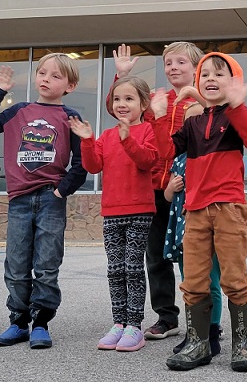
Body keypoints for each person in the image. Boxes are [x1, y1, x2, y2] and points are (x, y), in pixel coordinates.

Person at [151, 52, 247, 372]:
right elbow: (167, 151)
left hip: (228, 208)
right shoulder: (194, 122)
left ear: (234, 83)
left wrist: (238, 105)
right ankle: (199, 343)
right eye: (205, 75)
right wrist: (160, 116)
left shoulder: (235, 117)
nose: (210, 79)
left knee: (234, 277)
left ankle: (243, 343)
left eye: (219, 75)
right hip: (194, 210)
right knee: (195, 280)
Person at [0, 54, 87, 350]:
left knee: (47, 264)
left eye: (55, 75)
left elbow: (83, 160)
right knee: (16, 264)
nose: (46, 78)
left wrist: (63, 190)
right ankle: (18, 322)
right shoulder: (19, 111)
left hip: (51, 199)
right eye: (42, 73)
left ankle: (41, 322)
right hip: (20, 199)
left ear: (70, 85)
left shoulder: (70, 117)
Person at [113, 41, 204, 341]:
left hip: (188, 189)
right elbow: (122, 110)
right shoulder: (155, 99)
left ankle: (199, 316)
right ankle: (167, 317)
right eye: (169, 63)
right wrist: (121, 76)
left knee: (190, 256)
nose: (174, 68)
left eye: (181, 62)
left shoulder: (202, 101)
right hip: (153, 189)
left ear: (195, 67)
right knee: (156, 257)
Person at [69, 76, 158, 353]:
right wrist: (86, 141)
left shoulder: (147, 130)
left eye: (129, 99)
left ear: (143, 104)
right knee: (115, 270)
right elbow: (94, 166)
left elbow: (148, 160)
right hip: (112, 211)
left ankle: (134, 326)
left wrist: (128, 139)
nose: (122, 104)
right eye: (118, 99)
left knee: (133, 269)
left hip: (140, 209)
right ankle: (118, 323)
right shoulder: (106, 136)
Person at [163, 151, 224, 357]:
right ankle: (194, 333)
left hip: (208, 228)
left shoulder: (214, 156)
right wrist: (172, 187)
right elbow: (167, 196)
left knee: (211, 282)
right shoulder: (179, 160)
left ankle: (212, 333)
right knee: (190, 284)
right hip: (183, 230)